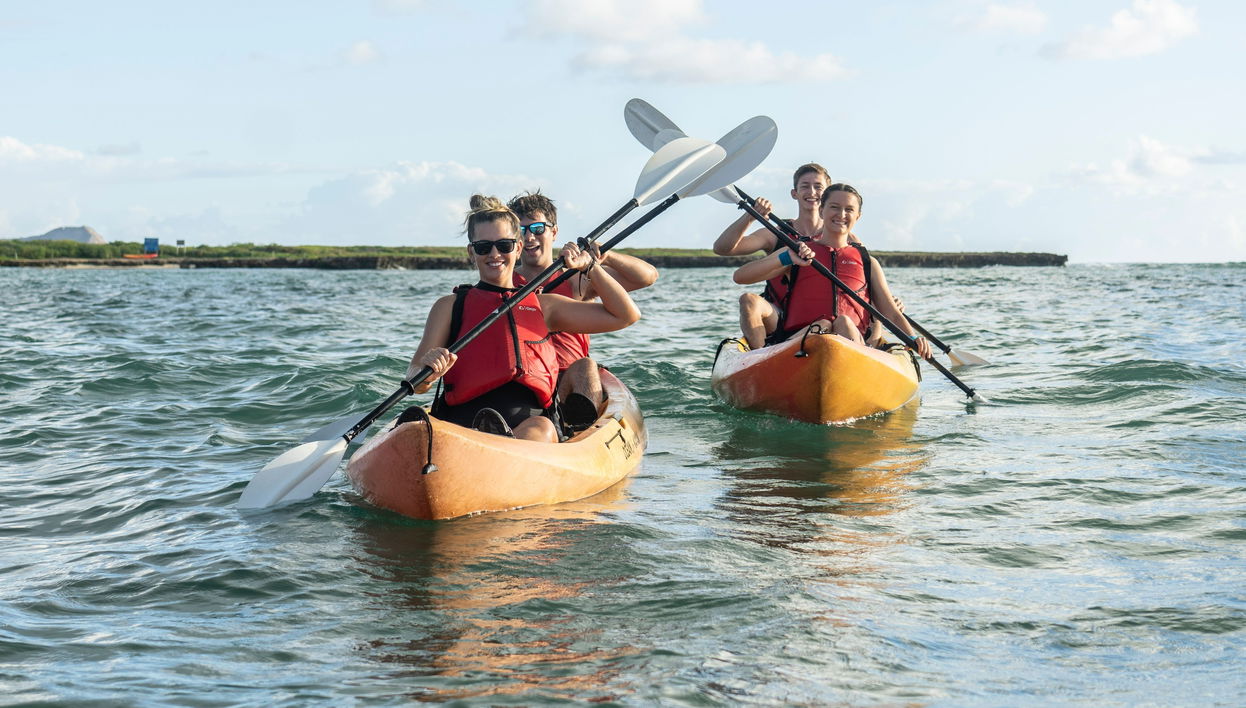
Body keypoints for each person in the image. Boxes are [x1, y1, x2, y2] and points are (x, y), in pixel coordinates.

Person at [404, 195, 641, 442]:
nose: (494, 254)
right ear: (471, 252)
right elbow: (414, 378)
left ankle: (504, 445)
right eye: (484, 247)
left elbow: (626, 316)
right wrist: (426, 374)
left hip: (528, 426)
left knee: (541, 428)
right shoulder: (448, 306)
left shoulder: (544, 306)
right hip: (460, 423)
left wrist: (591, 267)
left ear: (518, 248)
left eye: (504, 245)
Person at [506, 190, 658, 424]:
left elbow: (647, 277)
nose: (530, 237)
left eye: (537, 229)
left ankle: (577, 428)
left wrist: (604, 257)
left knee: (586, 366)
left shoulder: (577, 278)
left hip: (569, 378)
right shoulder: (503, 282)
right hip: (525, 379)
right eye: (521, 230)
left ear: (553, 232)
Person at [732, 183, 932, 359]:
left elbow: (891, 312)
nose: (841, 215)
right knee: (825, 324)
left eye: (849, 209)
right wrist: (786, 258)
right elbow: (740, 277)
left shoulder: (867, 261)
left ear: (858, 216)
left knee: (842, 322)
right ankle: (761, 361)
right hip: (798, 342)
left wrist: (913, 337)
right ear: (821, 211)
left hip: (852, 343)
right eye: (834, 207)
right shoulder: (798, 251)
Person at [714, 163, 831, 351]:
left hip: (822, 320)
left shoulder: (840, 236)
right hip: (779, 317)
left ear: (827, 193)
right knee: (749, 300)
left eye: (818, 186)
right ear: (794, 193)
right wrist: (750, 216)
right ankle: (761, 359)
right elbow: (723, 248)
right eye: (805, 186)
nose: (812, 191)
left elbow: (860, 276)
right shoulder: (776, 233)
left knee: (828, 322)